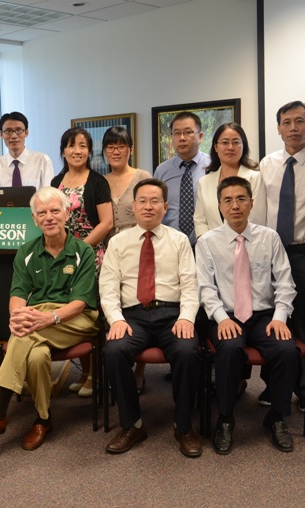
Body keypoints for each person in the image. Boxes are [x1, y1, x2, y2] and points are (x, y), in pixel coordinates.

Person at [0, 187, 100, 451]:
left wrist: (48, 318)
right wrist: (17, 317)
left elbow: (80, 303)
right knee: (37, 356)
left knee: (25, 334)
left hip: (77, 319)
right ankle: (43, 420)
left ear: (66, 213)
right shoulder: (26, 250)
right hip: (38, 319)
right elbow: (17, 294)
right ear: (34, 219)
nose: (49, 217)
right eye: (42, 213)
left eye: (55, 211)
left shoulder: (83, 251)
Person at [196, 176, 299, 454]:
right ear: (220, 206)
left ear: (251, 203)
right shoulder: (207, 242)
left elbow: (285, 283)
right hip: (226, 314)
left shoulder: (269, 238)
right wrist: (221, 318)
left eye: (241, 199)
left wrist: (280, 317)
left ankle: (276, 417)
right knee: (230, 349)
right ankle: (225, 418)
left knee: (286, 350)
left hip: (264, 315)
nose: (235, 206)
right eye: (228, 200)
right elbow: (205, 288)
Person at [100, 180, 202, 457]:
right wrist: (116, 320)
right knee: (114, 351)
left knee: (188, 351)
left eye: (155, 201)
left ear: (165, 207)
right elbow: (108, 287)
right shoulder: (117, 242)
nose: (148, 206)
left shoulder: (179, 240)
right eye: (142, 201)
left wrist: (187, 318)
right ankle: (132, 424)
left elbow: (190, 285)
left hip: (172, 314)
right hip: (132, 316)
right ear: (133, 206)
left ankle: (183, 426)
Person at [259, 101, 305, 413]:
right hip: (271, 252)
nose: (293, 128)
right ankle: (272, 384)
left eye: (300, 121)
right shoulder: (267, 164)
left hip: (304, 252)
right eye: (286, 122)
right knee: (270, 317)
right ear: (278, 128)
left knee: (304, 321)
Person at [50, 127, 113, 397]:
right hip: (62, 257)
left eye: (83, 146)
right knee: (72, 313)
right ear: (63, 150)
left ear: (89, 151)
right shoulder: (55, 182)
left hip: (91, 257)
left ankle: (98, 375)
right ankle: (85, 372)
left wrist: (80, 250)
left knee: (92, 313)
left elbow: (107, 223)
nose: (77, 151)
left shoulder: (98, 182)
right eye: (72, 145)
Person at [101, 126, 152, 393]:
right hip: (108, 249)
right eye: (111, 146)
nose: (116, 151)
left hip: (139, 247)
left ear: (130, 149)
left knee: (139, 301)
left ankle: (140, 370)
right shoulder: (100, 181)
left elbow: (152, 210)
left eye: (121, 146)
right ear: (104, 151)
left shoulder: (143, 177)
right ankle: (118, 366)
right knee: (113, 302)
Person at [193, 122, 267, 238]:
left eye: (236, 142)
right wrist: (209, 243)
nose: (230, 147)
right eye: (225, 142)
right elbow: (200, 221)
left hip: (247, 243)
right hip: (212, 245)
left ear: (243, 146)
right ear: (216, 147)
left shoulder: (255, 178)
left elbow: (257, 218)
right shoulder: (204, 182)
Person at [154, 111, 211, 246]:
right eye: (176, 133)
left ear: (200, 136)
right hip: (170, 244)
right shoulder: (162, 171)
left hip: (207, 242)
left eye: (188, 132)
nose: (182, 138)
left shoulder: (213, 166)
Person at [0, 111, 54, 189]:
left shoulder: (42, 161)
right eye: (8, 131)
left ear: (26, 133)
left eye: (18, 130)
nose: (14, 136)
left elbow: (49, 194)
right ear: (1, 134)